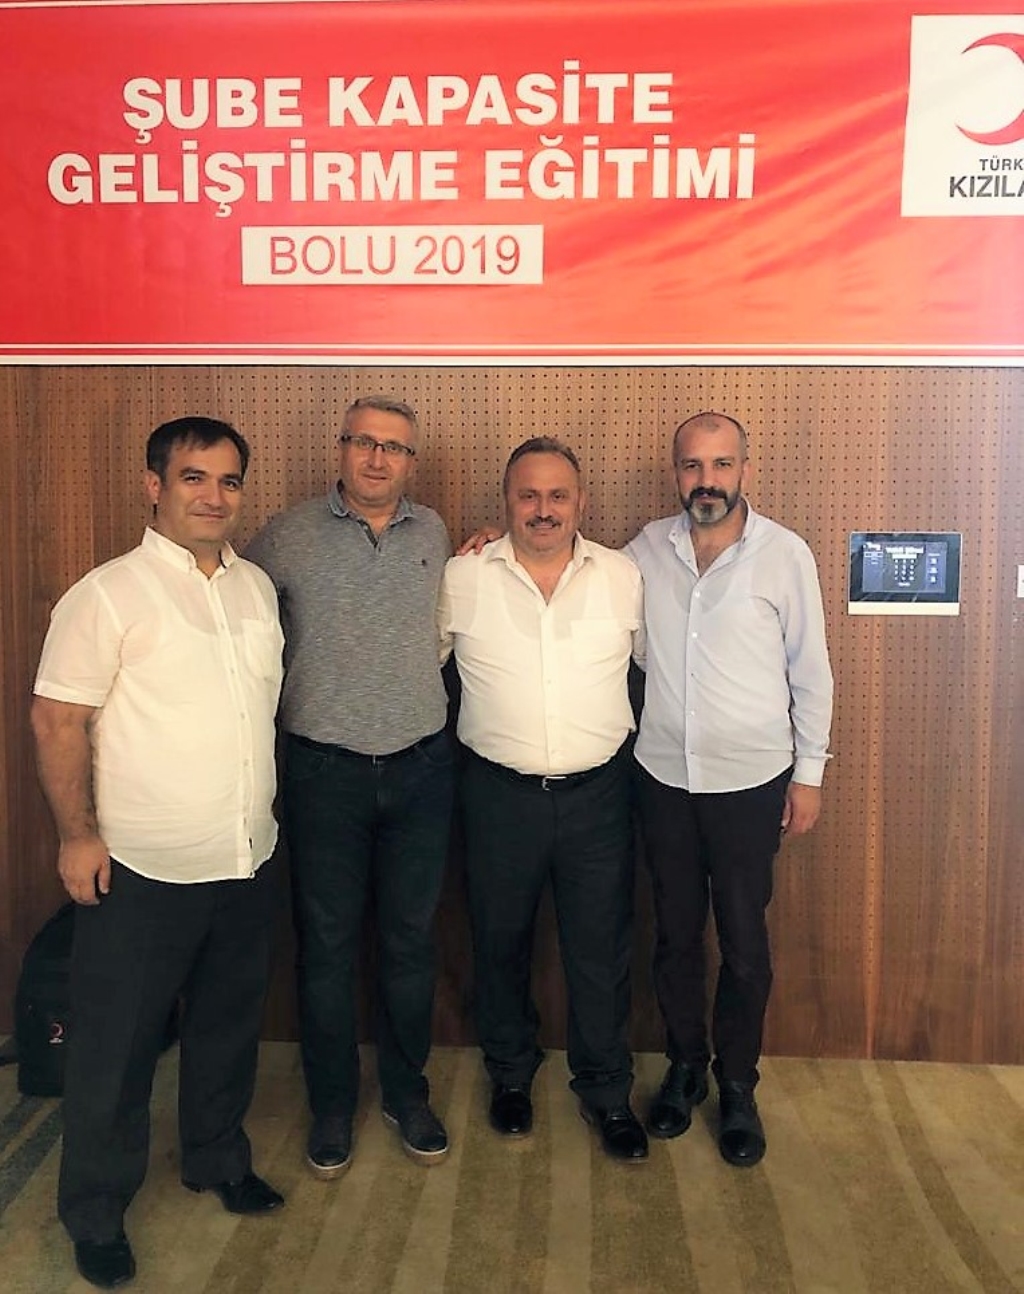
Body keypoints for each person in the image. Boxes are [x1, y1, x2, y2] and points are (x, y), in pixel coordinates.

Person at [31, 416, 286, 1290]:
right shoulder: (106, 595)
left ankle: (216, 1158)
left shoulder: (256, 589)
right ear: (154, 485)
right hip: (140, 868)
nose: (214, 496)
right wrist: (77, 835)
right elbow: (57, 720)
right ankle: (96, 1212)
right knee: (115, 1050)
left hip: (244, 857)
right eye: (193, 478)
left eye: (228, 480)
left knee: (226, 1030)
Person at [246, 395, 454, 1175]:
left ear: (411, 462)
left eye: (393, 447)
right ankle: (332, 1105)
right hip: (322, 773)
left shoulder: (434, 533)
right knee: (326, 949)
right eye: (364, 442)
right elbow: (234, 604)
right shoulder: (288, 534)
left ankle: (407, 1093)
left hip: (422, 769)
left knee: (409, 944)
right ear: (341, 448)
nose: (377, 458)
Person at [626, 411, 833, 1167]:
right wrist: (493, 543)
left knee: (744, 943)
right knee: (676, 937)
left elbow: (811, 670)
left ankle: (738, 1084)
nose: (705, 480)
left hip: (751, 783)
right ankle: (685, 1067)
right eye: (692, 465)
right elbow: (576, 580)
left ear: (746, 469)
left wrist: (808, 774)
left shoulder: (785, 555)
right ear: (675, 472)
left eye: (720, 464)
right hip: (663, 778)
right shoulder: (644, 550)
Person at [439, 437, 648, 1162]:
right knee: (499, 943)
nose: (543, 509)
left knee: (601, 949)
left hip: (600, 796)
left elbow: (656, 667)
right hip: (498, 796)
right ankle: (510, 1076)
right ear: (506, 501)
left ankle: (606, 1090)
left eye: (558, 495)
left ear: (581, 501)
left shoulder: (624, 576)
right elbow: (420, 666)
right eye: (528, 495)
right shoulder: (462, 576)